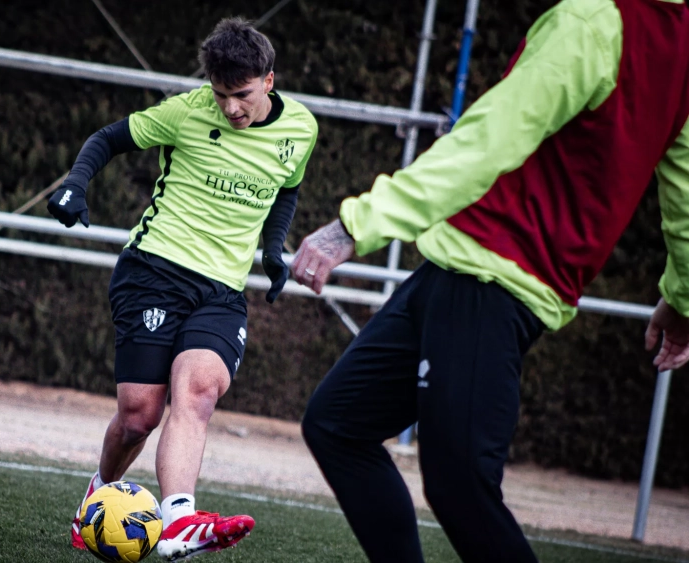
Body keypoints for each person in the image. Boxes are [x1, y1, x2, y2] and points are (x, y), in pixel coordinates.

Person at [290, 0, 689, 560]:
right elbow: (685, 197)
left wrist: (358, 225)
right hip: (460, 270)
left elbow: (489, 140)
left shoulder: (593, 19)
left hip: (491, 278)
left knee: (460, 487)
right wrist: (682, 300)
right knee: (338, 424)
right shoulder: (682, 41)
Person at [48, 17, 318, 561]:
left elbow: (286, 188)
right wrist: (76, 183)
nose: (231, 108)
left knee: (197, 392)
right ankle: (95, 499)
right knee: (138, 417)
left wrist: (273, 249)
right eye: (221, 95)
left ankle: (178, 524)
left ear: (269, 80)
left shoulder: (301, 129)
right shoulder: (187, 111)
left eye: (242, 95)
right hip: (154, 270)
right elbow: (107, 139)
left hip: (222, 291)